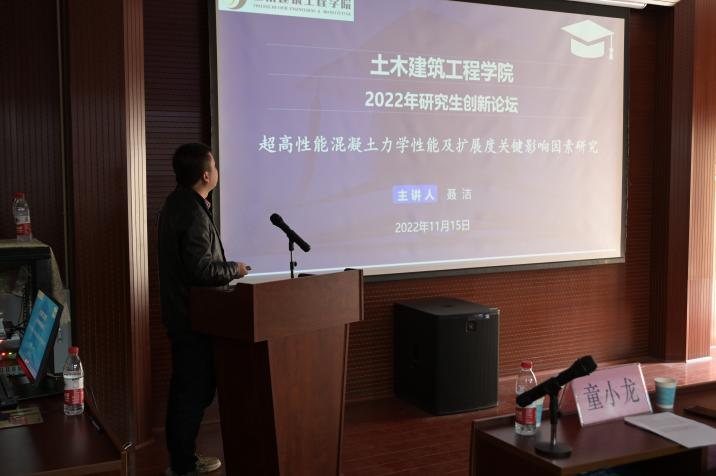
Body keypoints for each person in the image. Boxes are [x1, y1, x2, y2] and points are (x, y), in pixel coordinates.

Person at [158, 143, 250, 476]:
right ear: (206, 175)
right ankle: (183, 464)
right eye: (214, 165)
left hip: (187, 316)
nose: (217, 170)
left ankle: (182, 459)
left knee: (189, 390)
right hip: (192, 319)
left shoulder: (180, 204)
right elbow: (201, 270)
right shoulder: (192, 213)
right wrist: (234, 269)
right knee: (191, 393)